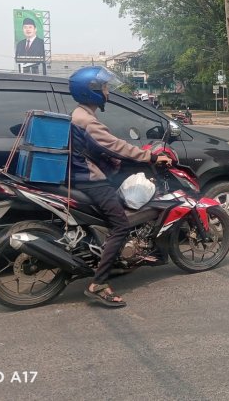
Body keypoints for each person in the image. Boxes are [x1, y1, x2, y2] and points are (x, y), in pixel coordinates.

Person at [68, 66, 172, 308]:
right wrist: (150, 157)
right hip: (90, 180)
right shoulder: (87, 120)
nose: (107, 92)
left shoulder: (82, 114)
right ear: (91, 91)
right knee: (121, 225)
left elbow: (102, 148)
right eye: (104, 87)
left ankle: (112, 259)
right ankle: (99, 284)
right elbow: (116, 145)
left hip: (83, 174)